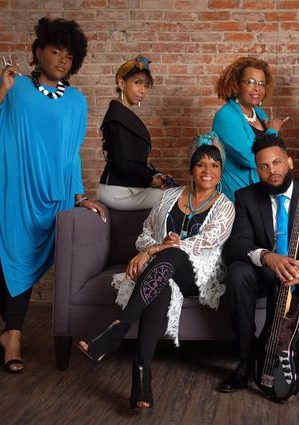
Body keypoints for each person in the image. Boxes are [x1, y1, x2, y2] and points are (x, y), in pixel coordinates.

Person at [0, 17, 101, 374]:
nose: (61, 60)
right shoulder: (14, 86)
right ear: (38, 51)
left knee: (23, 259)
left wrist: (77, 196)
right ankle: (13, 335)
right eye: (55, 51)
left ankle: (8, 333)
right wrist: (1, 87)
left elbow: (71, 153)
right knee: (5, 258)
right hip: (4, 184)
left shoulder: (76, 101)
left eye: (69, 56)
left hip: (48, 192)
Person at [78, 134, 234, 409]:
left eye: (214, 165)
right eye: (201, 164)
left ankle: (120, 325)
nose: (207, 171)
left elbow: (205, 243)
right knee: (161, 285)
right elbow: (145, 233)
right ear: (191, 168)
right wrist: (153, 246)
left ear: (221, 171)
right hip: (163, 271)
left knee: (173, 253)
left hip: (198, 273)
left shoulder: (225, 206)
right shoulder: (169, 196)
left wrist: (154, 251)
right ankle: (141, 375)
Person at [219, 133, 299, 394]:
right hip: (266, 273)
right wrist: (268, 257)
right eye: (264, 166)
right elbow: (237, 244)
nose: (272, 171)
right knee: (237, 273)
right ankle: (246, 361)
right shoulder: (245, 197)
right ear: (257, 169)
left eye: (277, 163)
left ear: (290, 162)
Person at [97, 54, 172, 210]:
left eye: (145, 85)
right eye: (137, 83)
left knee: (173, 190)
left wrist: (156, 175)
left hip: (123, 185)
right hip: (117, 190)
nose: (143, 90)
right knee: (175, 196)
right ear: (121, 83)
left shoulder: (123, 114)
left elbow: (134, 161)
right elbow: (125, 166)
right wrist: (153, 182)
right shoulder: (118, 118)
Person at [212, 57, 289, 201]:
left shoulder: (260, 114)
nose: (257, 88)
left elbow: (276, 156)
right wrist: (272, 132)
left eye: (261, 83)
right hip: (239, 196)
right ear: (237, 84)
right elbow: (251, 158)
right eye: (250, 82)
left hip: (264, 190)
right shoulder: (226, 116)